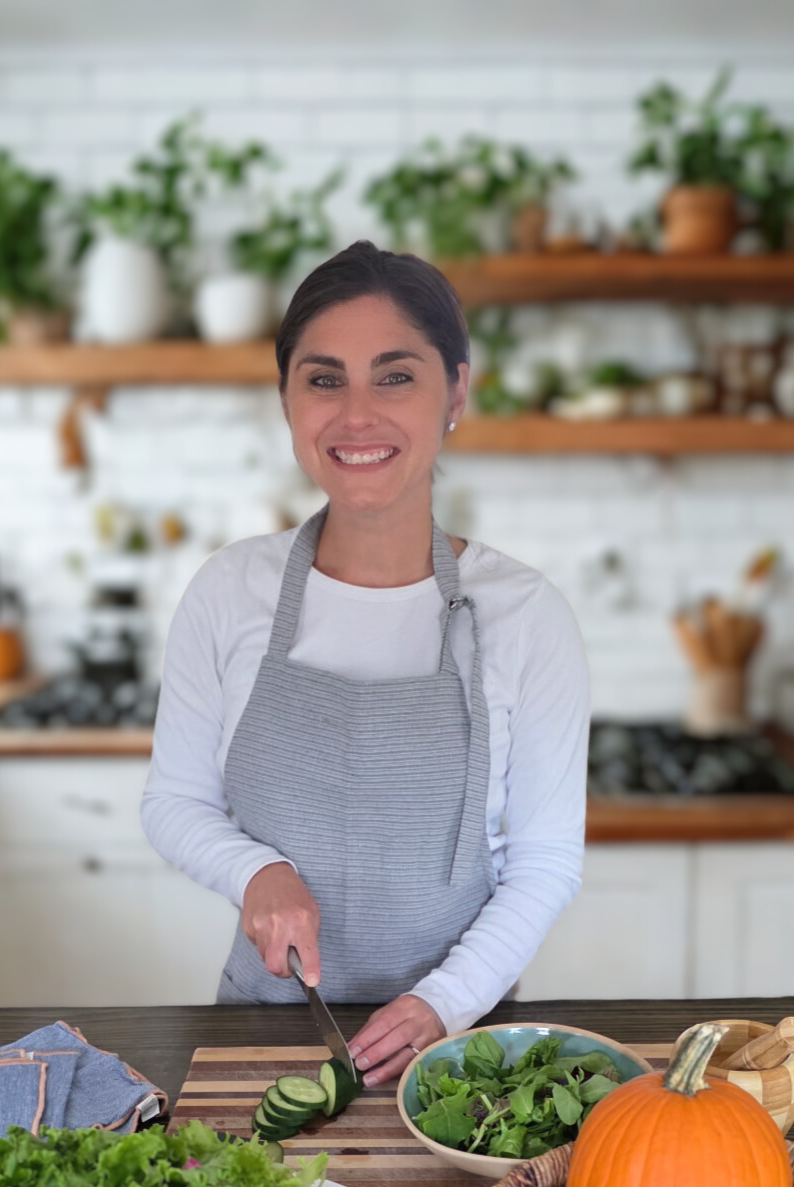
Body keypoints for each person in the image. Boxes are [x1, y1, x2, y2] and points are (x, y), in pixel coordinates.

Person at [141, 240, 589, 1086]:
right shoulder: (227, 592)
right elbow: (174, 802)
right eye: (322, 379)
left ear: (456, 391)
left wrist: (444, 1002)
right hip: (264, 1040)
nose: (356, 415)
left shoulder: (527, 616)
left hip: (463, 1049)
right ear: (284, 400)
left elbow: (545, 861)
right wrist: (256, 870)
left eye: (394, 376)